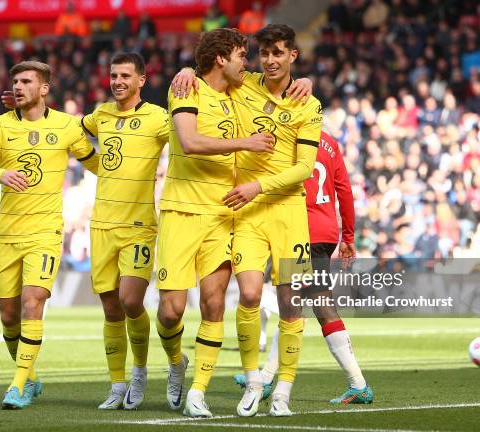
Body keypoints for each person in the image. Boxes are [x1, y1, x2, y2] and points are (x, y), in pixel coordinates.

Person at [172, 24, 318, 417]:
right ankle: (254, 380)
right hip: (247, 212)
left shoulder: (309, 104)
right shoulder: (245, 84)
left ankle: (283, 389)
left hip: (287, 210)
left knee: (291, 304)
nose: (269, 61)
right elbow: (210, 74)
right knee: (250, 294)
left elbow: (304, 168)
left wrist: (259, 185)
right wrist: (186, 70)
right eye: (264, 53)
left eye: (278, 54)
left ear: (293, 56)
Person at [155, 28, 277, 419]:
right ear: (221, 58)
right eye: (243, 55)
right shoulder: (186, 89)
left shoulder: (239, 93)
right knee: (171, 310)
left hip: (223, 215)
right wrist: (247, 143)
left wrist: (304, 78)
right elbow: (189, 142)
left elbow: (281, 79)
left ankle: (198, 391)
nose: (250, 62)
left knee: (213, 304)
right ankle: (176, 362)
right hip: (180, 212)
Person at [0, 61, 98, 409]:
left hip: (45, 232)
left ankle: (16, 385)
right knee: (9, 317)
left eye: (26, 81)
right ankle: (31, 378)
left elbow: (97, 163)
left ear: (44, 88)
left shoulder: (67, 126)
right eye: (15, 81)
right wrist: (2, 174)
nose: (19, 85)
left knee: (32, 303)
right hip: (7, 233)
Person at [233, 130, 374, 405]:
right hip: (324, 230)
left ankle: (358, 383)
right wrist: (347, 236)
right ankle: (266, 376)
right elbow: (344, 189)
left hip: (299, 231)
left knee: (316, 306)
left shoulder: (285, 138)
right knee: (294, 306)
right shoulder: (330, 142)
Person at [80, 53, 170, 410]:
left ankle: (140, 370)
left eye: (125, 75)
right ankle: (117, 384)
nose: (117, 81)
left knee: (131, 300)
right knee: (111, 309)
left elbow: (185, 136)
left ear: (142, 80)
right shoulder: (100, 114)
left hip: (138, 225)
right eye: (113, 74)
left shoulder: (157, 117)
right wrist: (95, 164)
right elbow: (72, 133)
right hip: (101, 224)